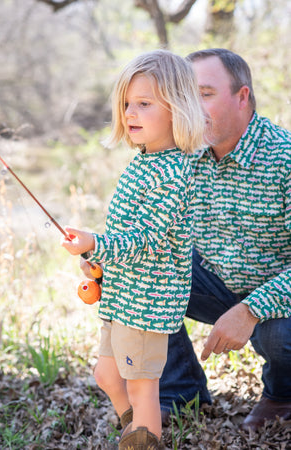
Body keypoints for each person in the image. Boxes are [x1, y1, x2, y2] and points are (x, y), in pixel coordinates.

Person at [61, 49, 205, 449]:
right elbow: (125, 231)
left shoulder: (175, 171)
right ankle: (134, 428)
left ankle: (144, 435)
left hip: (148, 302)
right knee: (107, 375)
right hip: (123, 294)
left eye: (144, 103)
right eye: (126, 103)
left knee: (143, 388)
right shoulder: (144, 161)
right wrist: (97, 259)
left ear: (178, 109)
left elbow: (148, 237)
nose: (130, 113)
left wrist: (98, 243)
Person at [158, 48, 291, 432]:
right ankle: (181, 391)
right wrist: (106, 253)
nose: (193, 108)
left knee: (279, 334)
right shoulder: (184, 157)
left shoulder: (283, 158)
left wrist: (250, 310)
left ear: (242, 96)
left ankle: (282, 394)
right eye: (186, 96)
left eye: (206, 93)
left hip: (280, 302)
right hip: (219, 280)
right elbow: (160, 232)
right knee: (132, 273)